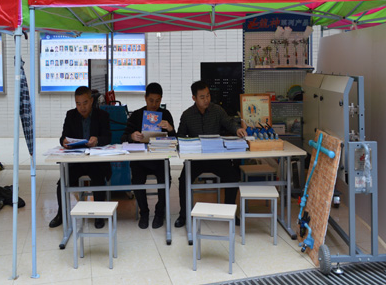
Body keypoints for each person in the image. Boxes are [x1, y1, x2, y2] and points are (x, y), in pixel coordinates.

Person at [174, 81, 247, 228]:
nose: (206, 100)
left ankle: (230, 212)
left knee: (233, 177)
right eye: (202, 97)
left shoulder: (217, 110)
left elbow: (229, 122)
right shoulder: (187, 115)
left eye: (208, 96)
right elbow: (180, 137)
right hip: (196, 159)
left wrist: (237, 129)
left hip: (216, 158)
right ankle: (184, 215)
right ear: (194, 98)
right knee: (183, 180)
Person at [49, 86, 112, 229]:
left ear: (91, 101)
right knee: (62, 183)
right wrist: (64, 142)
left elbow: (108, 137)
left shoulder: (102, 115)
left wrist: (98, 140)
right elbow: (63, 137)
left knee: (98, 180)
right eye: (78, 104)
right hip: (76, 161)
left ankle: (99, 214)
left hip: (95, 161)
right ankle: (61, 214)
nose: (82, 107)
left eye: (85, 103)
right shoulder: (71, 115)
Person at [121, 83, 175, 229]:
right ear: (145, 98)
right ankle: (144, 212)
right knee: (137, 180)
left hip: (159, 159)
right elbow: (123, 137)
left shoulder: (166, 115)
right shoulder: (137, 115)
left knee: (166, 180)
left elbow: (175, 139)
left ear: (161, 99)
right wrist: (132, 136)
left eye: (157, 101)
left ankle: (159, 212)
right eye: (151, 100)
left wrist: (170, 129)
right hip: (140, 159)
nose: (154, 104)